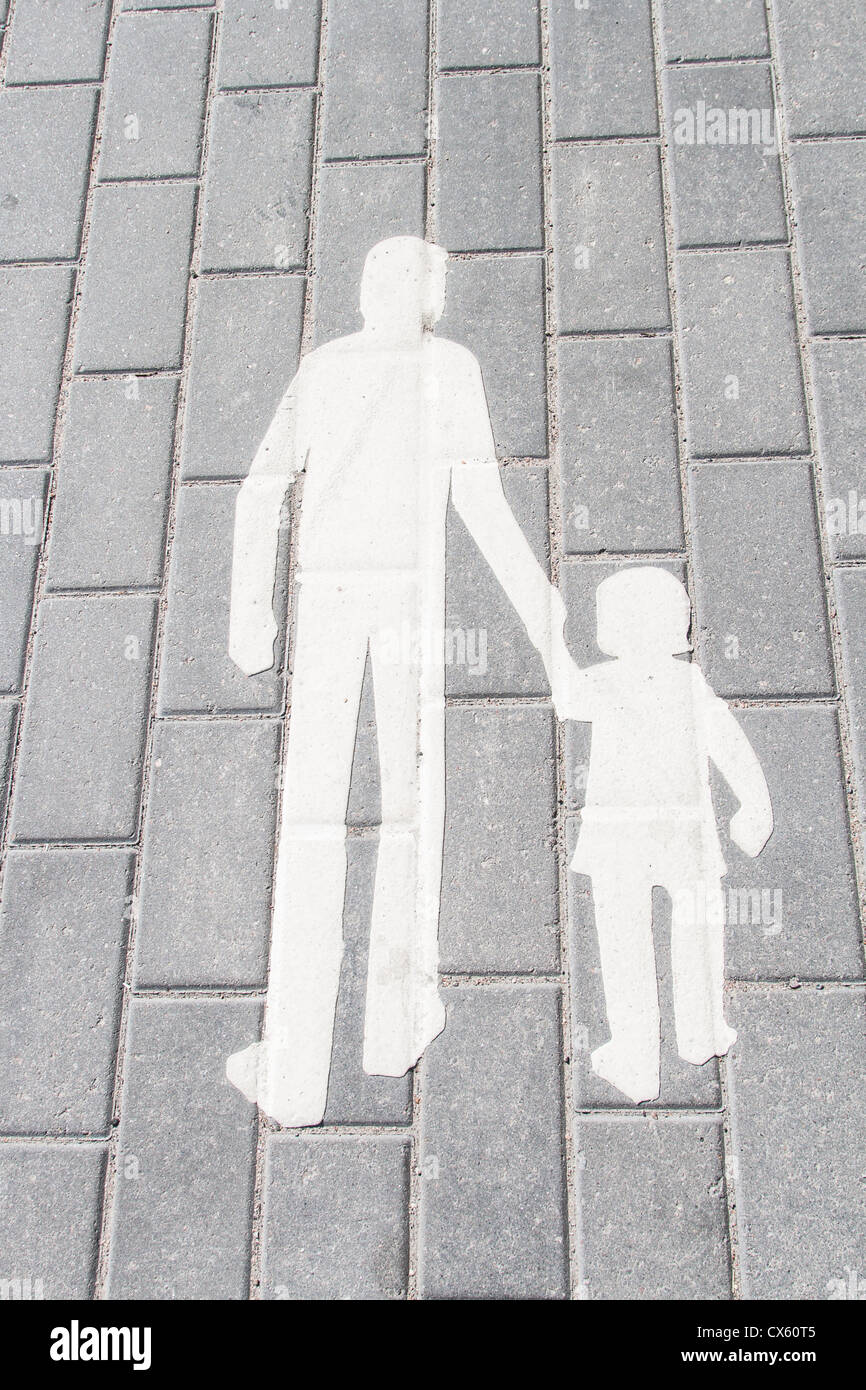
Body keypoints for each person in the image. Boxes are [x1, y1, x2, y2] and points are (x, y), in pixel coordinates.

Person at [225, 236, 571, 1127]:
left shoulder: (326, 366)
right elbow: (481, 502)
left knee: (312, 814)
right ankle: (393, 1017)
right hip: (408, 596)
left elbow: (260, 485)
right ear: (424, 296)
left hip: (330, 595)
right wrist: (546, 629)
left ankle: (296, 1062)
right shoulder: (449, 367)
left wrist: (250, 619)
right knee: (411, 799)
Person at [559, 567, 773, 1104]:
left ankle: (635, 1051)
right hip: (684, 830)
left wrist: (549, 633)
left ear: (611, 629)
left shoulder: (604, 680)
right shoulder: (689, 682)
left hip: (620, 836)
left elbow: (565, 696)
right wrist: (753, 802)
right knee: (697, 931)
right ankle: (699, 1031)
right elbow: (727, 739)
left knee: (624, 941)